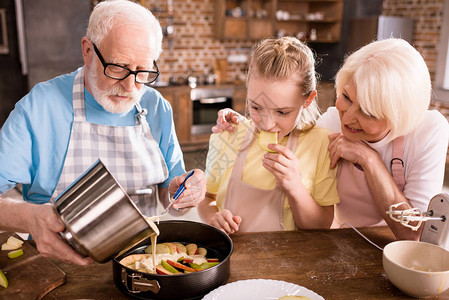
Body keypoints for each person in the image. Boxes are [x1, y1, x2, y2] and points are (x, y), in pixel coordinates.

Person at [0, 0, 205, 265]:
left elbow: (170, 192)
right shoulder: (40, 107)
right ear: (87, 51)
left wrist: (185, 193)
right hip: (60, 264)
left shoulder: (156, 107)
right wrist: (29, 217)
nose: (131, 87)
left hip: (145, 263)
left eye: (143, 71)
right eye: (118, 67)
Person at [213, 38, 449, 241]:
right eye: (346, 96)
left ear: (398, 117)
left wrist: (369, 159)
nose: (348, 117)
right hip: (337, 241)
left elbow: (413, 233)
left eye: (368, 112)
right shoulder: (331, 123)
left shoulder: (428, 131)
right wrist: (239, 122)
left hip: (393, 250)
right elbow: (282, 119)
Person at [198, 37, 339, 234]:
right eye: (255, 106)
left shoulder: (321, 144)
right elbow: (206, 198)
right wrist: (213, 217)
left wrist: (294, 187)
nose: (267, 123)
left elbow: (321, 225)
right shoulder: (229, 134)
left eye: (282, 112)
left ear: (307, 99)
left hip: (287, 261)